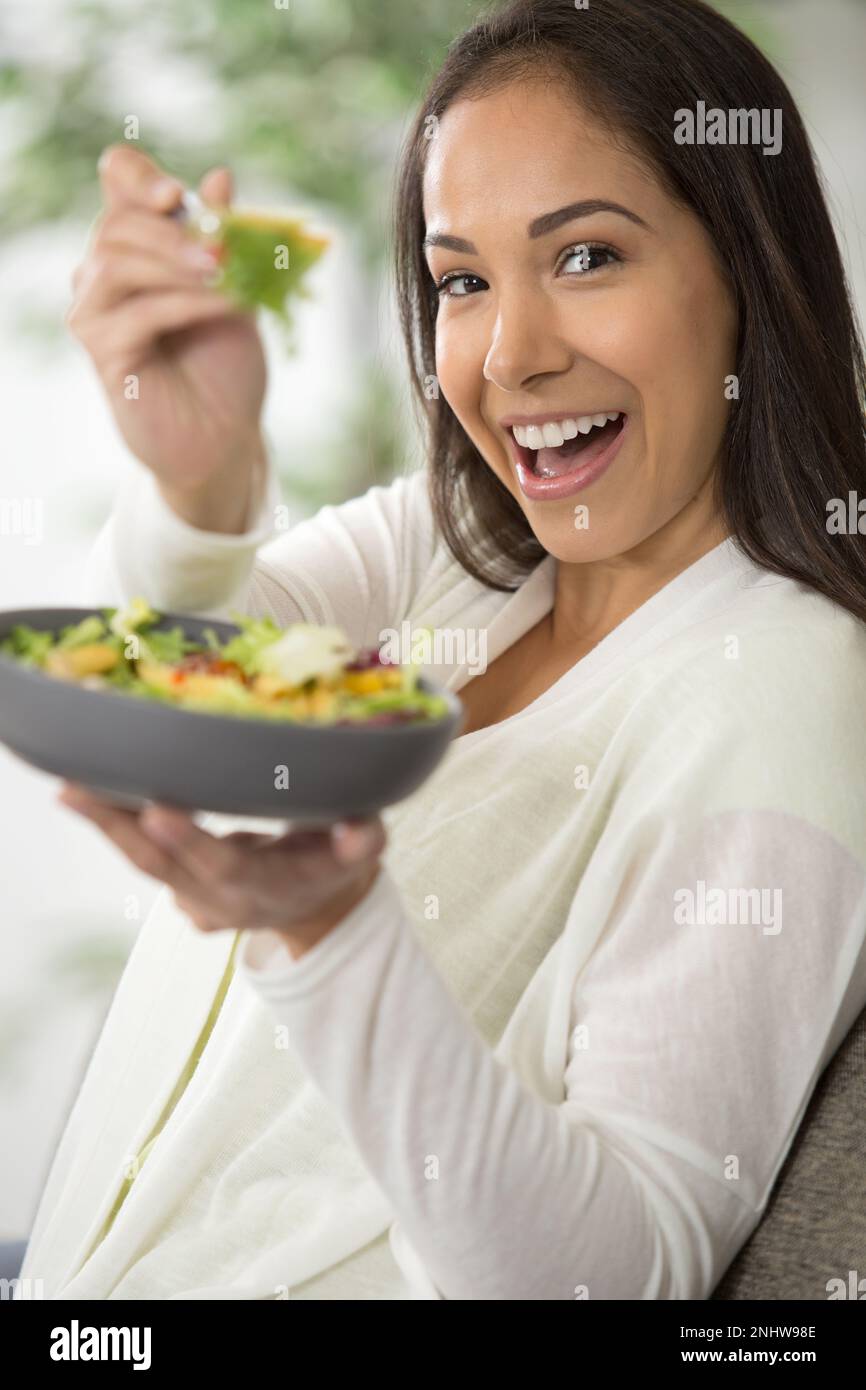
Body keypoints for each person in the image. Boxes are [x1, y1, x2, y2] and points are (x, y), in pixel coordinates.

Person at [17, 0, 866, 1300]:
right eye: (462, 280)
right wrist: (200, 484)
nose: (510, 355)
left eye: (584, 256)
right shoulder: (460, 556)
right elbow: (174, 688)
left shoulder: (791, 687)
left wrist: (334, 929)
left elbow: (611, 1273)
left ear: (745, 275)